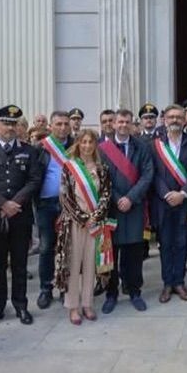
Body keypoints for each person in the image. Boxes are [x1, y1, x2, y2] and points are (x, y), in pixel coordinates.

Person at [0, 105, 45, 329]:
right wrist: (3, 204)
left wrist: (16, 203)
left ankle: (21, 305)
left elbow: (35, 180)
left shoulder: (28, 150)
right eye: (6, 123)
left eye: (14, 123)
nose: (10, 128)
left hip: (20, 216)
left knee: (20, 263)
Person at [98, 108, 155, 312]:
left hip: (135, 207)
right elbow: (101, 178)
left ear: (132, 124)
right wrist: (117, 199)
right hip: (112, 209)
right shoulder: (102, 149)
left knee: (134, 253)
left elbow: (148, 174)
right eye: (119, 122)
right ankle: (111, 293)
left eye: (127, 122)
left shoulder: (142, 147)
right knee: (111, 253)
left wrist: (130, 198)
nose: (123, 125)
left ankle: (134, 291)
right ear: (113, 124)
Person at [56, 129, 112, 325]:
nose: (87, 146)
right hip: (74, 223)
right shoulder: (69, 167)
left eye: (91, 142)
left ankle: (87, 303)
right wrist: (82, 218)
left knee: (90, 263)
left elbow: (106, 195)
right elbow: (65, 197)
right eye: (84, 142)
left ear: (96, 145)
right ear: (78, 143)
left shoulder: (102, 168)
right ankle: (73, 306)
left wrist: (95, 217)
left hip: (95, 223)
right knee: (73, 263)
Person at [149, 105, 187, 302]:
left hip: (185, 203)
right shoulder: (155, 145)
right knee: (166, 244)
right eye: (171, 117)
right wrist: (167, 193)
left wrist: (183, 193)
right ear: (164, 120)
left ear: (184, 120)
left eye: (178, 117)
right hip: (163, 202)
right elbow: (153, 173)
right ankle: (168, 283)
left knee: (182, 243)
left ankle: (179, 282)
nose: (175, 120)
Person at [33, 111, 71, 309]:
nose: (63, 127)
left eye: (66, 124)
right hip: (46, 204)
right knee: (47, 248)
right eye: (59, 124)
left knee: (67, 248)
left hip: (70, 204)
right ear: (51, 126)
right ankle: (46, 289)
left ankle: (65, 288)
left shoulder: (77, 145)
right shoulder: (41, 147)